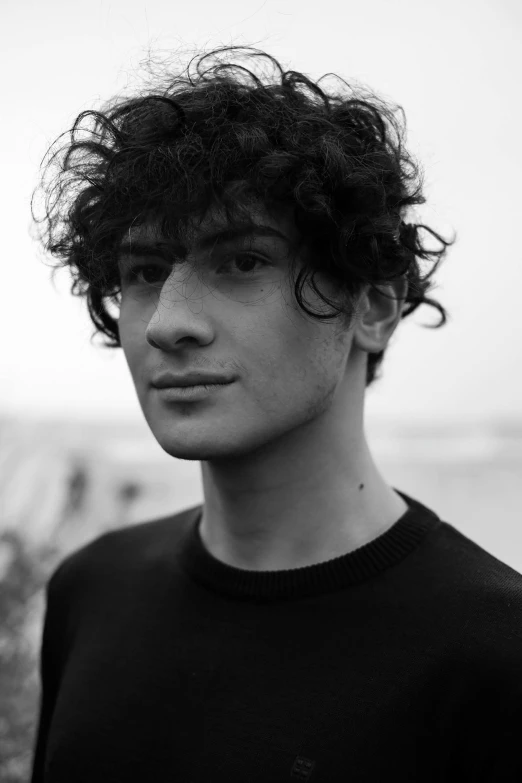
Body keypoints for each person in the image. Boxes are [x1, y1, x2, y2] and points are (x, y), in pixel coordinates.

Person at [30, 45, 522, 782]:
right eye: (143, 272)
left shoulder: (495, 651)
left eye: (242, 261)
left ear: (374, 304)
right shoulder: (93, 588)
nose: (167, 321)